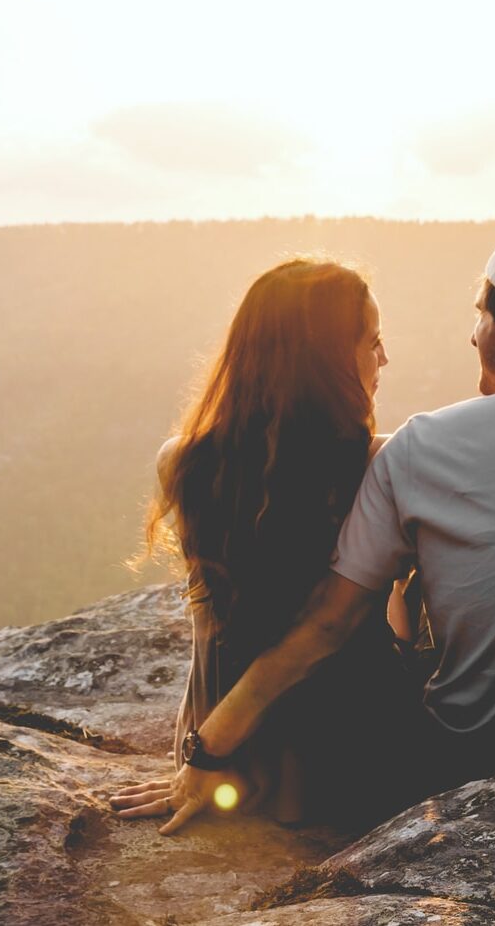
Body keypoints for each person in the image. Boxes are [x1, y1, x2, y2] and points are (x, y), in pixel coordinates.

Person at [113, 223, 495, 835]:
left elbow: (327, 622)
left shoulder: (419, 449)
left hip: (470, 760)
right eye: (373, 342)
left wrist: (206, 747)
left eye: (483, 313)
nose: (472, 331)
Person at [125, 257, 418, 828]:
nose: (384, 359)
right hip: (361, 754)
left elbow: (209, 628)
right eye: (372, 341)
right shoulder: (382, 463)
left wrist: (204, 749)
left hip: (242, 755)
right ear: (327, 361)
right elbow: (335, 628)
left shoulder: (181, 462)